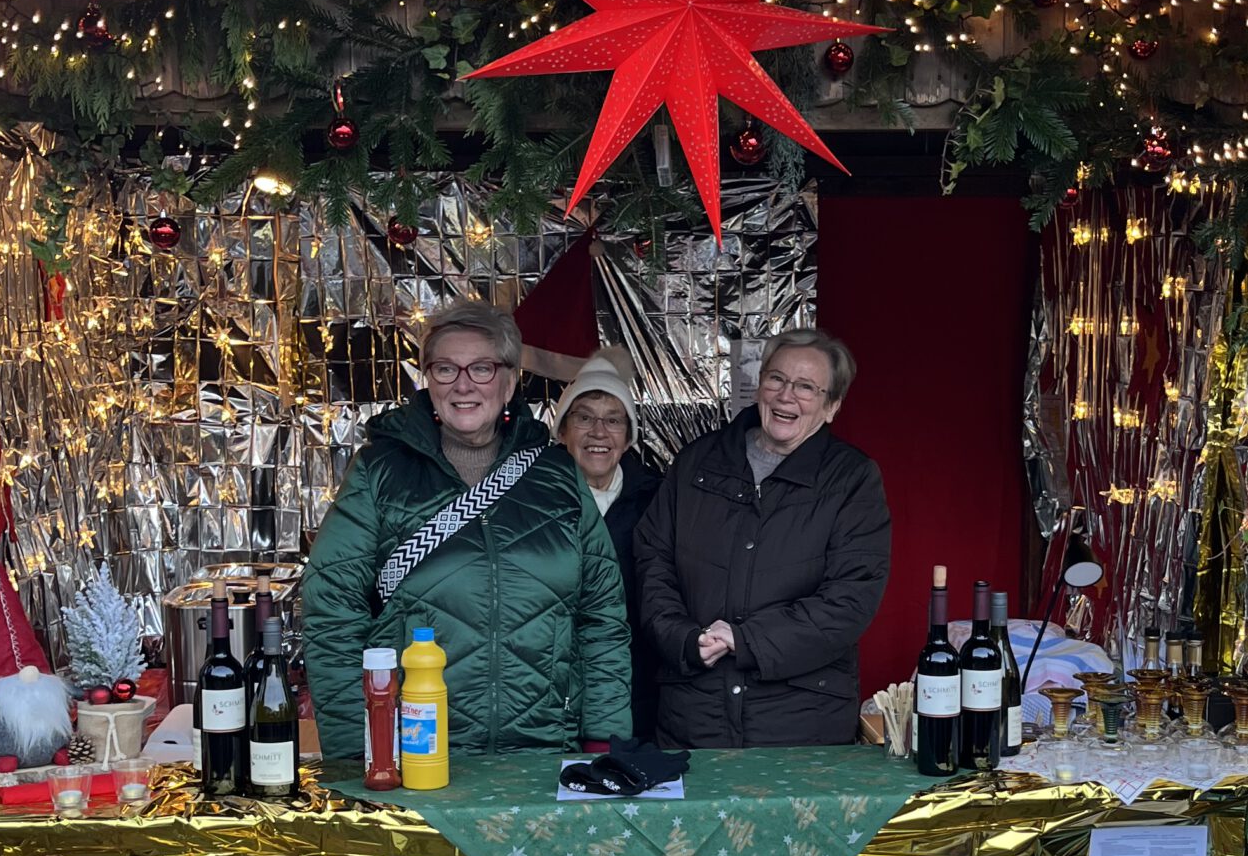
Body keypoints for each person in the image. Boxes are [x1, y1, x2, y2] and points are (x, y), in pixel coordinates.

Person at [303, 300, 633, 767]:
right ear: (428, 380)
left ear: (510, 381)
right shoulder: (379, 473)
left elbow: (602, 618)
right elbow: (331, 615)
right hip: (416, 753)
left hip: (544, 753)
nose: (462, 385)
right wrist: (361, 751)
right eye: (445, 369)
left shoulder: (558, 476)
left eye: (481, 368)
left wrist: (605, 742)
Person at [634, 326, 890, 748]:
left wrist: (746, 639)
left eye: (806, 387)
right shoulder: (698, 461)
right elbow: (652, 559)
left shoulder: (852, 480)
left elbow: (850, 598)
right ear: (759, 386)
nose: (786, 395)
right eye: (777, 378)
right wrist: (682, 637)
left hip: (800, 721)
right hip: (695, 714)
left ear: (832, 406)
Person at [553, 353, 663, 739]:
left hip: (633, 690)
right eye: (584, 417)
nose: (599, 432)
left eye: (613, 420)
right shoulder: (531, 499)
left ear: (629, 436)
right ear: (562, 431)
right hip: (549, 689)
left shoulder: (658, 502)